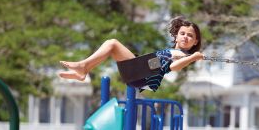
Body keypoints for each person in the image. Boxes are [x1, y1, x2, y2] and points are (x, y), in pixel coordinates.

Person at [58, 16, 204, 92]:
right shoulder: (173, 51)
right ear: (176, 36)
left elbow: (174, 67)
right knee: (111, 47)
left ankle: (83, 67)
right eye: (182, 33)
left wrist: (193, 57)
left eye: (190, 36)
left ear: (195, 41)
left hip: (143, 76)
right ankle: (84, 71)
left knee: (113, 43)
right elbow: (159, 63)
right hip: (141, 72)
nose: (185, 37)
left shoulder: (183, 55)